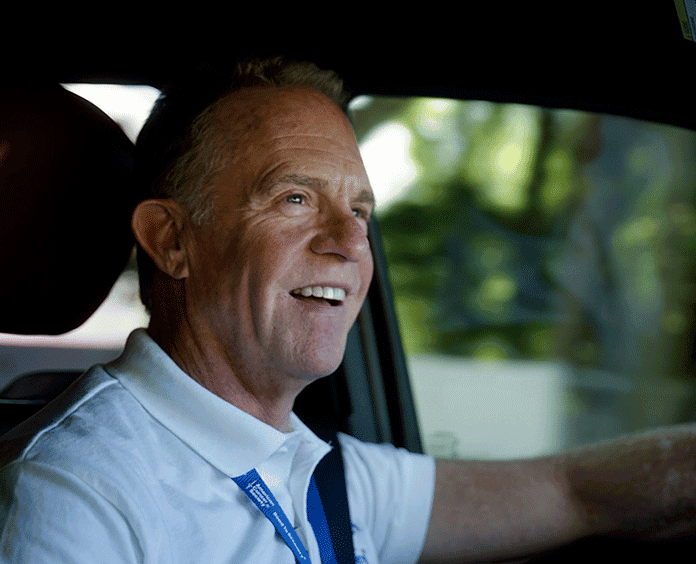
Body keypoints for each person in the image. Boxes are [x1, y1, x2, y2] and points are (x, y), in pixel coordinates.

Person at [1, 56, 696, 564]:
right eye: (294, 199)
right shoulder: (71, 491)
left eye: (359, 210)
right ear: (173, 240)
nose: (349, 244)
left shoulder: (318, 469)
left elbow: (570, 491)